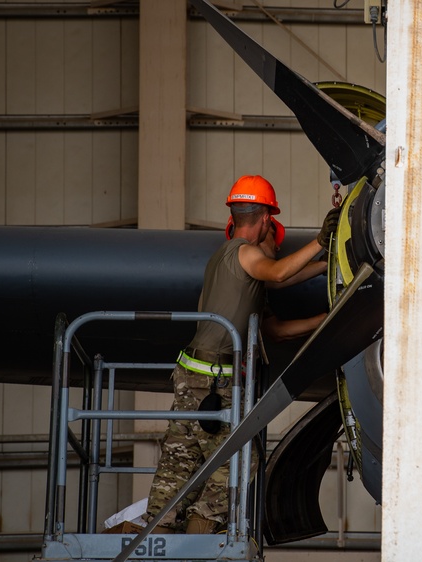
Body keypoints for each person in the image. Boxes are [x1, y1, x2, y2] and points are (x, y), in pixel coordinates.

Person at [145, 174, 340, 534]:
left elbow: (276, 328)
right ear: (266, 220)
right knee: (240, 459)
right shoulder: (243, 252)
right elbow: (279, 272)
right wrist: (319, 242)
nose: (277, 251)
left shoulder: (225, 266)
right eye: (275, 242)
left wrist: (329, 309)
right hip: (211, 380)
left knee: (177, 466)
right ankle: (199, 534)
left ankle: (149, 533)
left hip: (191, 375)